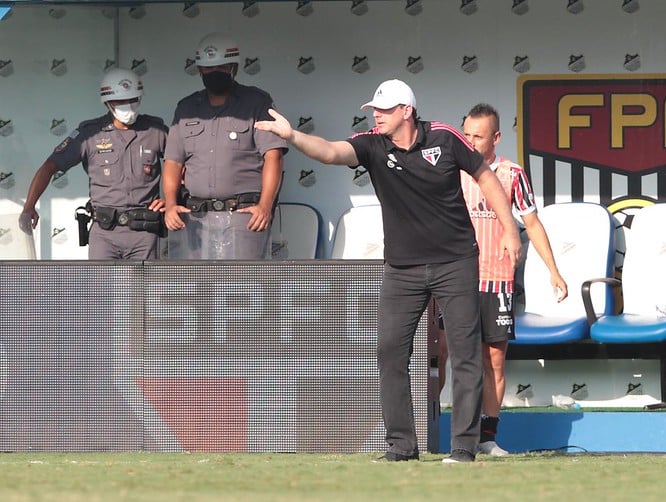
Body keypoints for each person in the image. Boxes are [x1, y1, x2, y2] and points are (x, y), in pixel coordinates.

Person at [254, 79, 522, 463]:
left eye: (384, 109)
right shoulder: (371, 144)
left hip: (456, 260)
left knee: (464, 353)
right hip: (403, 268)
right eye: (374, 110)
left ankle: (464, 447)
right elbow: (330, 152)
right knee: (390, 352)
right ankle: (401, 446)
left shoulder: (445, 138)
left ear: (406, 111)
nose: (375, 115)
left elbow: (485, 177)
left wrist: (510, 230)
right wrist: (292, 135)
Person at [438, 103, 567, 456]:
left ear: (495, 138)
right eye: (465, 134)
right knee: (441, 354)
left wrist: (554, 271)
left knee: (493, 359)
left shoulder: (512, 174)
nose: (469, 142)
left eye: (477, 137)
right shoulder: (450, 170)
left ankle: (487, 437)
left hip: (496, 281)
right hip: (454, 279)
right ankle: (430, 428)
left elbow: (533, 224)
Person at [19, 68, 168, 259]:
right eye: (120, 101)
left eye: (132, 99)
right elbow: (49, 166)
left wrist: (171, 201)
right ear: (108, 102)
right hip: (104, 233)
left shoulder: (155, 130)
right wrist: (29, 206)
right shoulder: (89, 134)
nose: (127, 106)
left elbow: (182, 164)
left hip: (144, 232)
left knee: (139, 289)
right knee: (100, 289)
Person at [162, 32, 287, 259]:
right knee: (198, 289)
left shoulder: (257, 102)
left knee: (240, 288)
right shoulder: (186, 108)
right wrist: (170, 205)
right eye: (208, 69)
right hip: (195, 219)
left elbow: (273, 156)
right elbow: (172, 162)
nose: (214, 73)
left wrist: (265, 205)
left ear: (234, 68)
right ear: (199, 70)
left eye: (221, 67)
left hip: (244, 217)